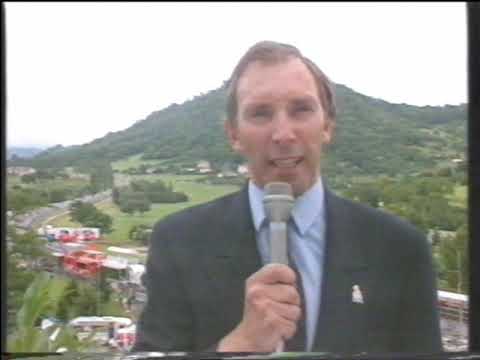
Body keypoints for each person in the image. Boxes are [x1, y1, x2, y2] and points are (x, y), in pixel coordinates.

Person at [132, 41, 442, 354]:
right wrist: (239, 345)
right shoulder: (179, 241)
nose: (283, 134)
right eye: (260, 114)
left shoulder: (399, 249)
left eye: (301, 110)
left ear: (327, 126)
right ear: (233, 134)